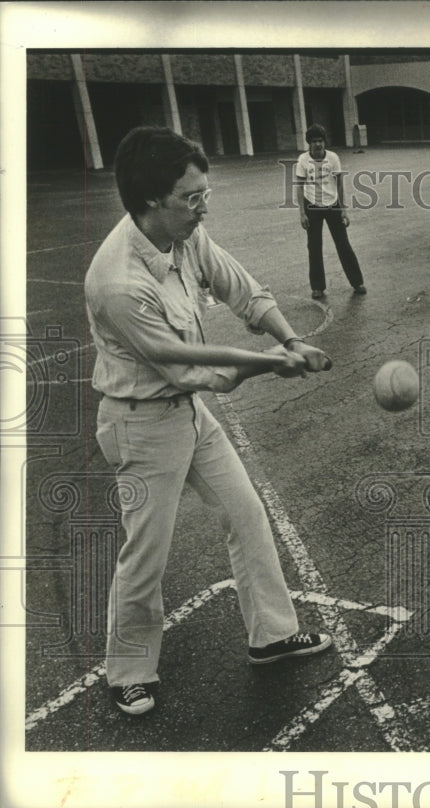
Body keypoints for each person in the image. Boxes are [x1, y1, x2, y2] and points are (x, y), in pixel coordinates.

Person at [85, 126, 335, 716]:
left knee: (246, 513)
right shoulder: (117, 282)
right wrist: (272, 363)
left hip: (187, 415)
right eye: (190, 197)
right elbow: (194, 367)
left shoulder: (186, 235)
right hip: (140, 424)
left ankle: (271, 636)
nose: (203, 207)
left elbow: (242, 289)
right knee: (147, 551)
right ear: (151, 201)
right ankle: (127, 669)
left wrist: (291, 337)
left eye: (205, 193)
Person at [295, 123, 366, 298]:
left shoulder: (333, 158)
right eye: (314, 141)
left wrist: (343, 210)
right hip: (312, 204)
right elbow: (299, 187)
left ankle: (357, 282)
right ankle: (317, 287)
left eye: (320, 140)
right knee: (314, 247)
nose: (318, 144)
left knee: (343, 244)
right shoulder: (303, 160)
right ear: (309, 144)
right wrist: (302, 213)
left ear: (324, 142)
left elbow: (340, 184)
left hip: (332, 204)